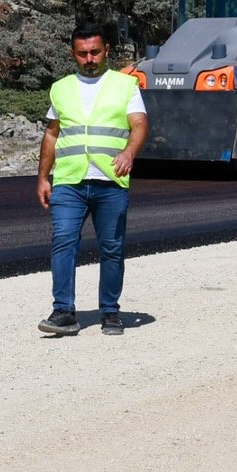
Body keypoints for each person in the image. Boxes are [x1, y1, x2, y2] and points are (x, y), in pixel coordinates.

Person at [36, 23, 149, 337]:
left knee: (111, 248)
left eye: (95, 52)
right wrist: (43, 177)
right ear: (74, 54)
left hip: (110, 180)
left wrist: (129, 153)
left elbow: (139, 124)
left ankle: (110, 312)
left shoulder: (125, 86)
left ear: (107, 51)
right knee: (63, 243)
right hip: (69, 181)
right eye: (83, 53)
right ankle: (63, 312)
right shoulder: (60, 88)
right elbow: (52, 133)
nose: (90, 58)